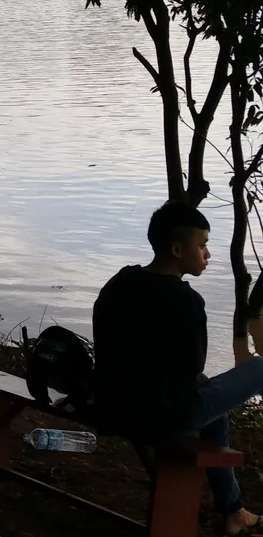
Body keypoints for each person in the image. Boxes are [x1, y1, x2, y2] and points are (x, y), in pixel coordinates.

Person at [94, 201, 263, 535]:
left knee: (217, 411)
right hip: (159, 417)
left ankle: (233, 512)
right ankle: (232, 511)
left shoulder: (121, 281)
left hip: (110, 406)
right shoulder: (186, 301)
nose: (208, 254)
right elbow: (191, 369)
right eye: (201, 246)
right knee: (258, 368)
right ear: (176, 249)